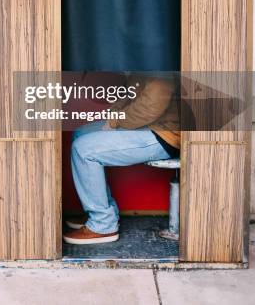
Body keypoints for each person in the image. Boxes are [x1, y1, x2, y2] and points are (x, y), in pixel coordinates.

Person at [63, 76, 180, 245]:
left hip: (166, 134)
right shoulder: (139, 62)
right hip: (149, 124)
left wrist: (116, 121)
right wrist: (113, 117)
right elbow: (130, 94)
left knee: (84, 149)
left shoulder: (158, 60)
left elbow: (152, 106)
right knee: (80, 134)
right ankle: (106, 213)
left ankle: (102, 225)